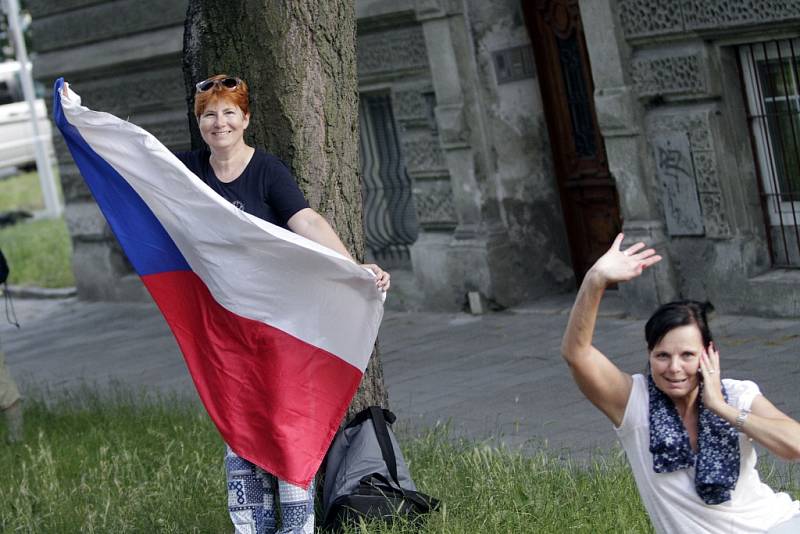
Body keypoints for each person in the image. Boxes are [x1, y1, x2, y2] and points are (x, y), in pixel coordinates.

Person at [174, 74, 390, 534]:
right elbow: (137, 169)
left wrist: (353, 268)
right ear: (200, 123)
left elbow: (306, 221)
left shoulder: (267, 171)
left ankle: (297, 526)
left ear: (246, 119)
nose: (220, 122)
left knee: (284, 424)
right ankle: (251, 526)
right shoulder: (189, 171)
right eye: (210, 114)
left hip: (278, 327)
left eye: (229, 112)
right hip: (224, 329)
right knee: (239, 425)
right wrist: (83, 123)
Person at [561, 233, 800, 534]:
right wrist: (595, 279)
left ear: (709, 353)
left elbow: (796, 446)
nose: (674, 368)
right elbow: (576, 353)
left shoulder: (737, 395)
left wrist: (722, 409)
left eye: (687, 355)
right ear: (649, 355)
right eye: (662, 355)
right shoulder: (634, 403)